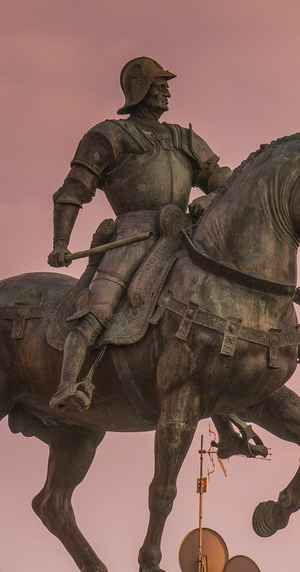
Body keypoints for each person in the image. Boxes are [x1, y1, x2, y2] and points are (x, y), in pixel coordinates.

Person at [46, 57, 231, 415]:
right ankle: (67, 385)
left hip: (184, 236)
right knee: (99, 307)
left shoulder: (185, 138)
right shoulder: (110, 135)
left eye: (167, 86)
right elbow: (72, 192)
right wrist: (60, 243)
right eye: (159, 86)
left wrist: (210, 197)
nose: (167, 92)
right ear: (139, 90)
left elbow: (223, 181)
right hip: (133, 234)